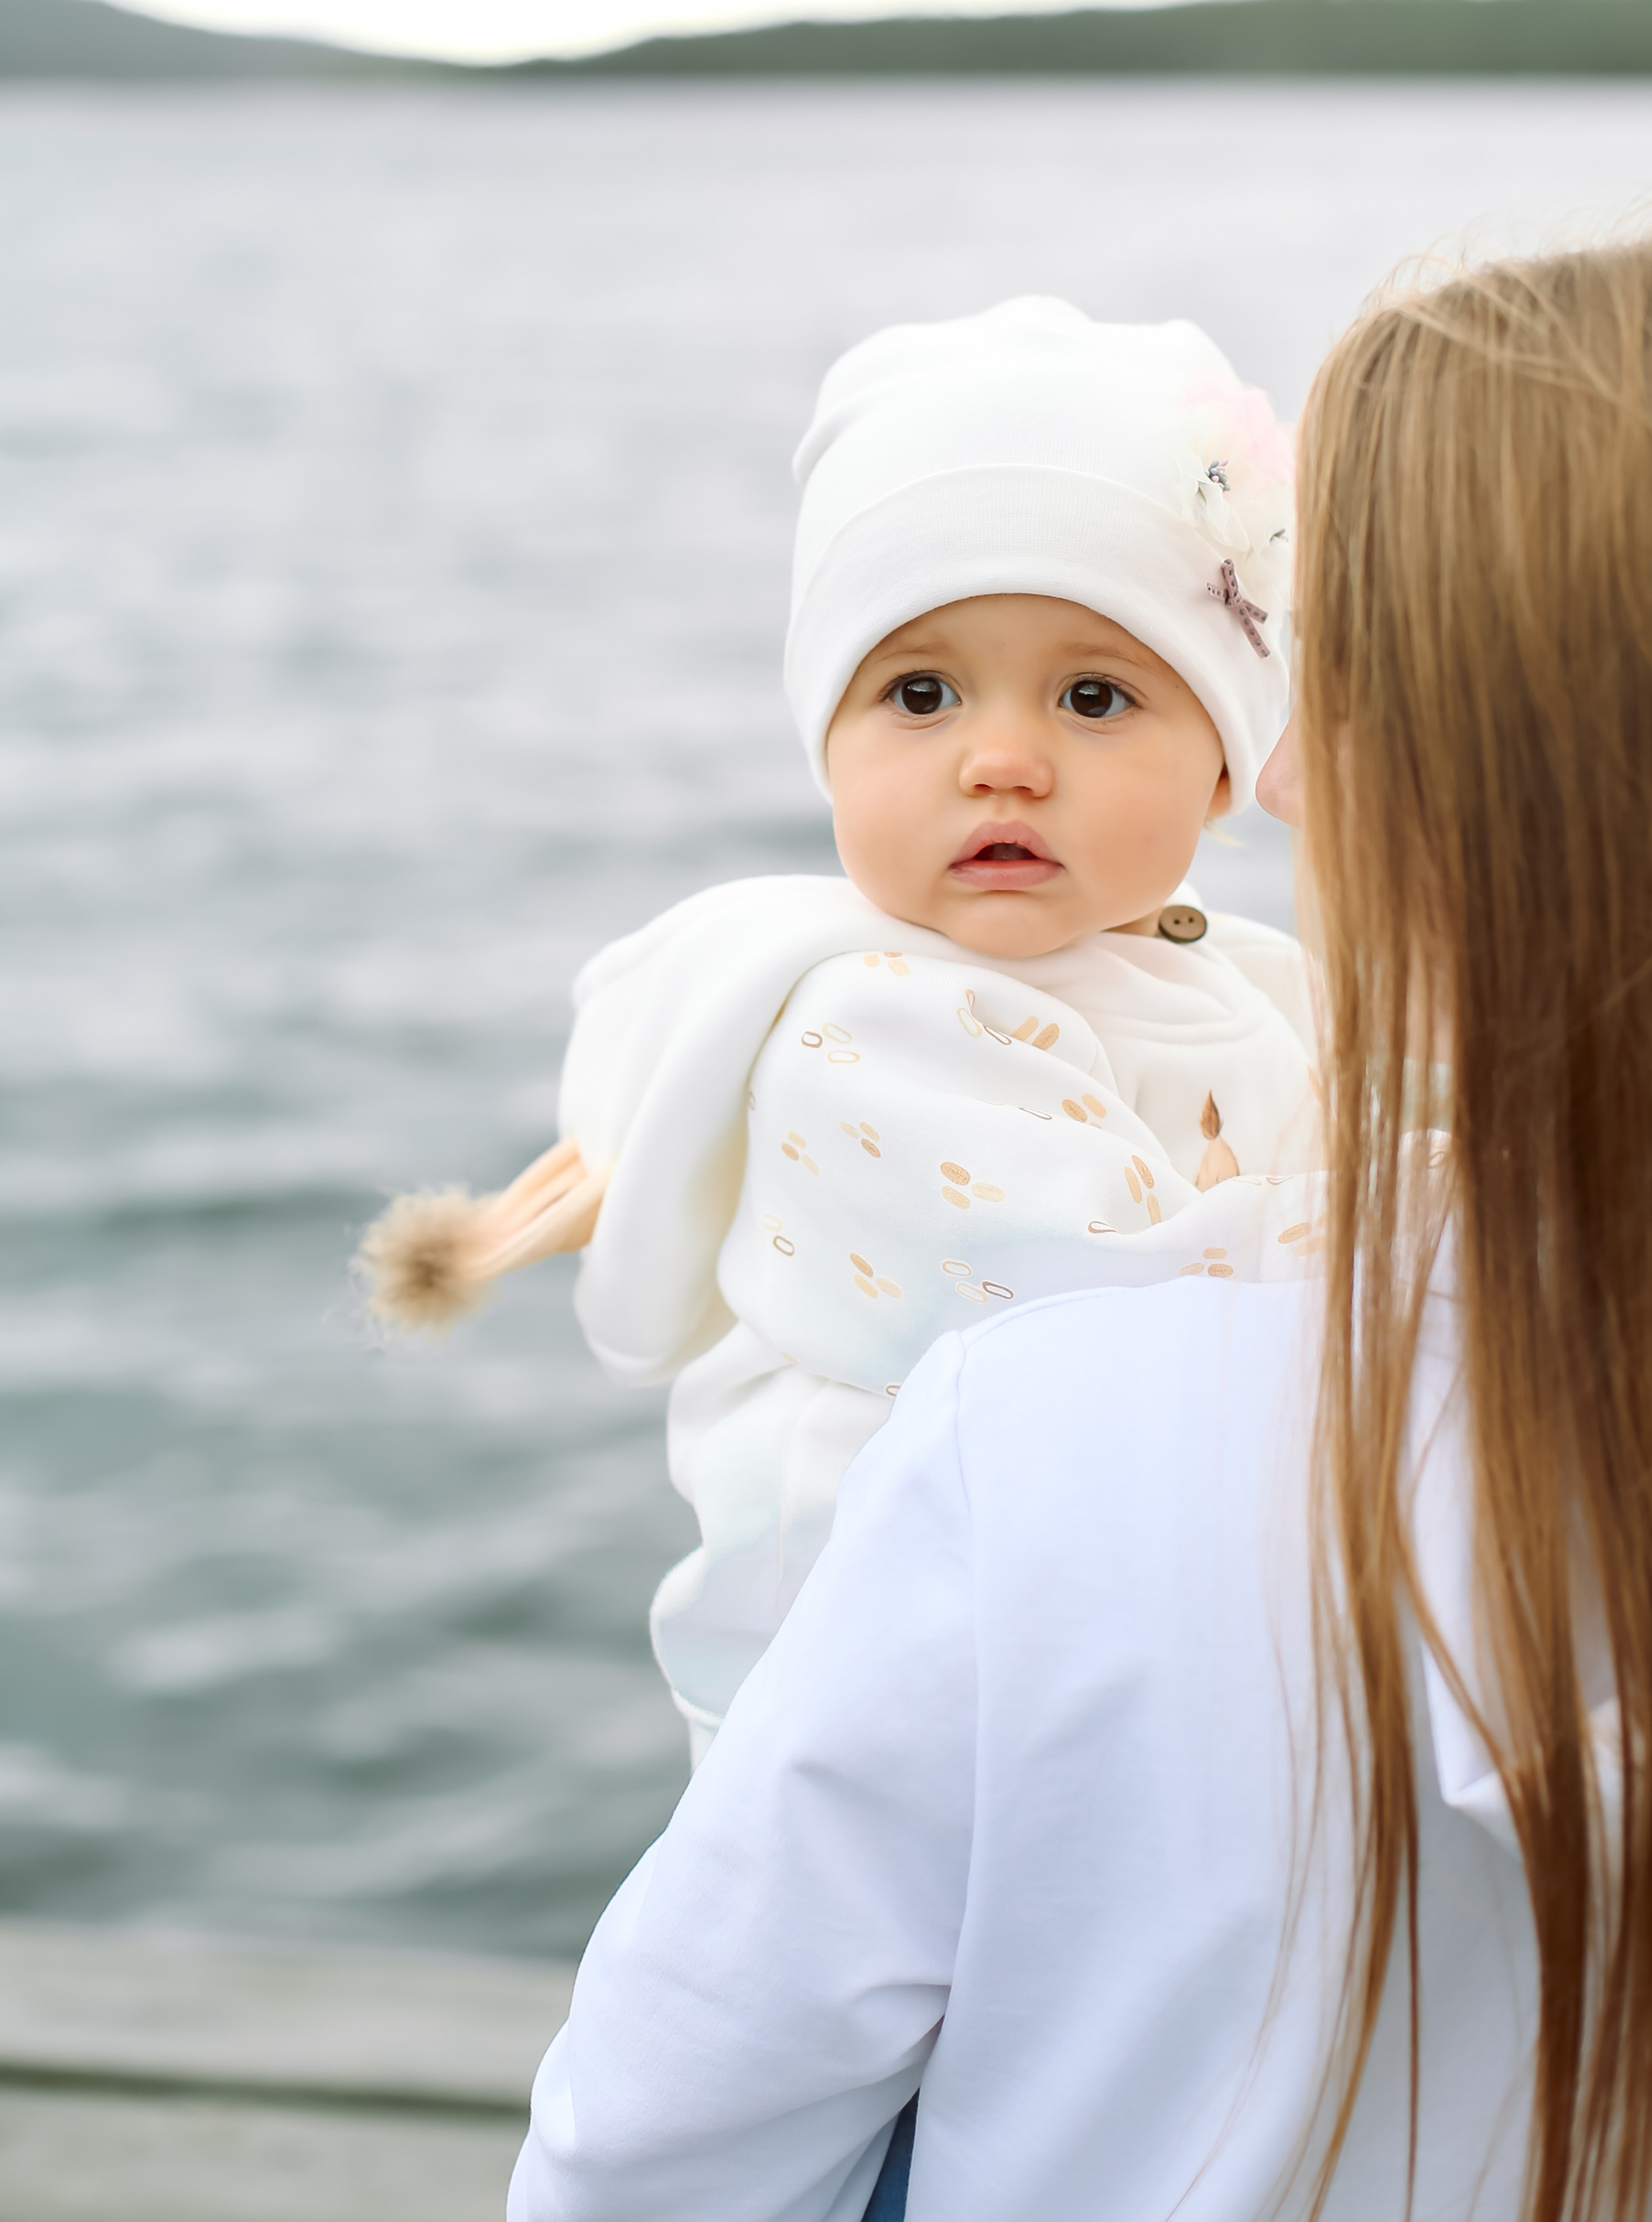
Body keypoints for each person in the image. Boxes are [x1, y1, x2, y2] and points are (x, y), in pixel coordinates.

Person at [507, 220, 1652, 2221]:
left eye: (1325, 686)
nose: (1291, 794)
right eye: (925, 691)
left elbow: (653, 2162)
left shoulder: (1064, 1437)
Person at [366, 297, 1322, 1761]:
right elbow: (1112, 1311)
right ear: (828, 747)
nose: (1001, 761)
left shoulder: (1250, 984)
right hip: (868, 1722)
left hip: (1089, 1665)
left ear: (1220, 769)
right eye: (919, 693)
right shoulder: (867, 1033)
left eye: (1091, 695)